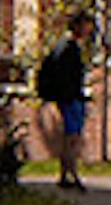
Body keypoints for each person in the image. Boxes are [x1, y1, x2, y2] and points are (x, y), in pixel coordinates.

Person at [33, 12, 93, 192]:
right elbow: (65, 75)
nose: (88, 30)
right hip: (70, 99)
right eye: (86, 25)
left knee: (70, 137)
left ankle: (65, 173)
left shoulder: (66, 47)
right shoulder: (68, 48)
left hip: (70, 97)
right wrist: (69, 94)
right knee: (72, 138)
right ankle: (71, 174)